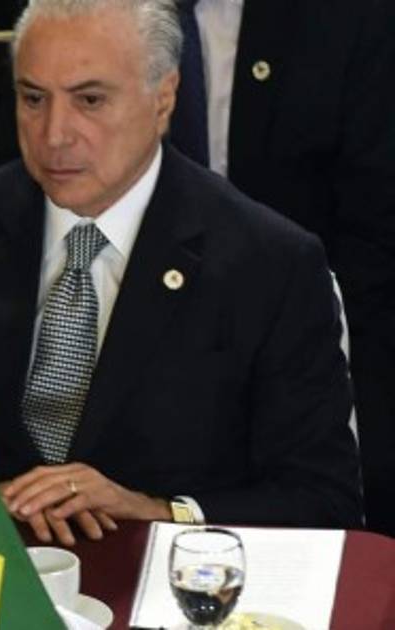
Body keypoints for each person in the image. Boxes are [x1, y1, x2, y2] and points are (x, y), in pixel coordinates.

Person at [0, 0, 363, 543]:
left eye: (90, 100)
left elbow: (322, 500)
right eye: (33, 98)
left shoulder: (269, 265)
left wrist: (157, 511)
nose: (54, 134)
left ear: (164, 98)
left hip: (166, 581)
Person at [167, 0, 395, 537]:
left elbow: (375, 240)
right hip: (132, 356)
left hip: (320, 353)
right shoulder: (86, 19)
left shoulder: (357, 20)